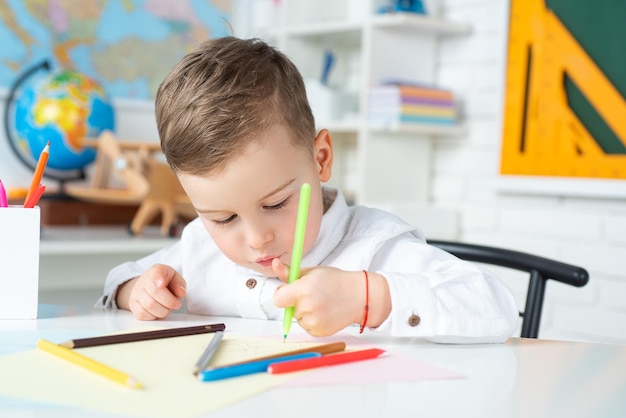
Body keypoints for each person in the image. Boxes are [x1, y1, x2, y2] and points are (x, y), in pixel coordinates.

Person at [96, 36, 518, 343]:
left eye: (276, 202)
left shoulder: (376, 247)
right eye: (223, 218)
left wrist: (366, 297)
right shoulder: (198, 248)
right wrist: (139, 292)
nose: (256, 237)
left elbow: (495, 309)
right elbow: (119, 279)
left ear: (320, 159)